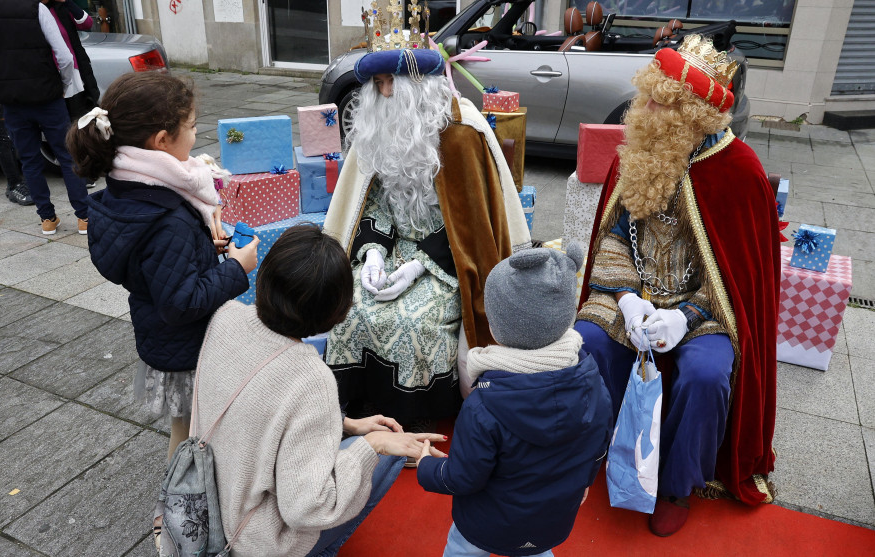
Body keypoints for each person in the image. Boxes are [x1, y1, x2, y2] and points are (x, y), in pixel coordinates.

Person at [574, 34, 779, 536]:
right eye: (646, 95)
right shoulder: (637, 153)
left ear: (688, 113)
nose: (639, 109)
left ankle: (677, 485)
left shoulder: (740, 171)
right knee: (587, 343)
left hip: (704, 311)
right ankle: (585, 452)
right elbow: (615, 234)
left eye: (655, 101)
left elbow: (740, 282)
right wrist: (624, 300)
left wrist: (681, 317)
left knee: (706, 374)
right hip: (634, 293)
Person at [324, 2, 531, 434]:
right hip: (393, 251)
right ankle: (357, 405)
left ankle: (413, 414)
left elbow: (472, 229)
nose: (381, 95)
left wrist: (422, 264)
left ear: (417, 85)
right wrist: (374, 254)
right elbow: (371, 205)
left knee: (413, 321)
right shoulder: (376, 135)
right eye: (376, 83)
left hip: (448, 267)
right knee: (351, 309)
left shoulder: (461, 132)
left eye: (389, 83)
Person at [193, 225, 448, 556]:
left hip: (202, 502)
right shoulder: (311, 377)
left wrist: (348, 425)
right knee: (390, 450)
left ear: (266, 274)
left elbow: (257, 407)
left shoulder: (225, 316)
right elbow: (308, 509)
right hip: (252, 541)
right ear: (335, 310)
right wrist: (372, 444)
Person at [65, 72, 257, 458]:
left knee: (186, 431)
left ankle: (178, 501)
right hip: (188, 349)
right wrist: (237, 267)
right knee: (192, 439)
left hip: (164, 340)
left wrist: (203, 246)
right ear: (162, 141)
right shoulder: (166, 215)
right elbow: (180, 303)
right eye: (191, 126)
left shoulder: (127, 190)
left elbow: (158, 268)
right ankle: (173, 509)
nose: (195, 132)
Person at [416, 242, 613, 557]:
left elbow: (463, 478)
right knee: (536, 550)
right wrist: (585, 481)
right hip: (552, 522)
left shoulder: (483, 405)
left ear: (496, 328)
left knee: (462, 550)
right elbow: (597, 449)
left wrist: (427, 467)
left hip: (484, 526)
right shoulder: (595, 385)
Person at [0, 0, 90, 235]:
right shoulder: (35, 8)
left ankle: (47, 219)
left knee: (29, 161)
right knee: (67, 156)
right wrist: (64, 85)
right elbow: (65, 57)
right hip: (48, 96)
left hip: (11, 102)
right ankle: (84, 217)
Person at [43, 0, 100, 121]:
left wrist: (67, 2)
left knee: (82, 119)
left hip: (74, 74)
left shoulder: (60, 7)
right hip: (51, 77)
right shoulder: (33, 12)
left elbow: (87, 23)